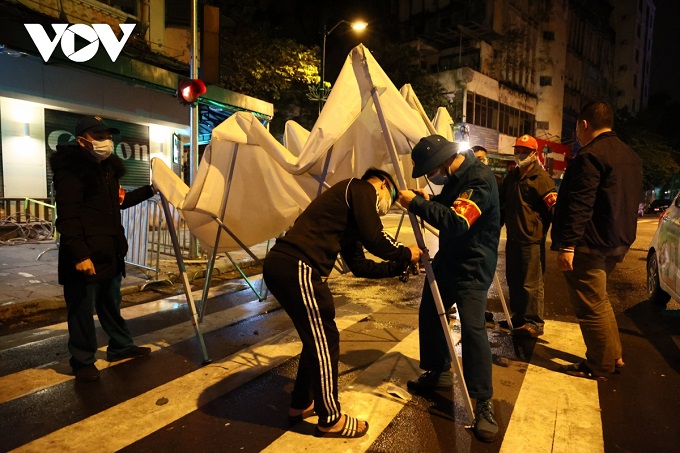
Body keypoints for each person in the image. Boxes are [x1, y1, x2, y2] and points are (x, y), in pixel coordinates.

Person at [262, 168, 420, 438]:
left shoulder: (350, 214)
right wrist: (407, 252)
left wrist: (397, 267)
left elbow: (358, 266)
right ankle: (330, 418)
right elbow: (376, 237)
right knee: (326, 340)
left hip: (289, 266)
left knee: (318, 339)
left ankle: (302, 403)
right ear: (383, 183)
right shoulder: (359, 188)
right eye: (390, 198)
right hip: (298, 265)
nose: (386, 207)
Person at [398, 135, 501, 443]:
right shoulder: (458, 177)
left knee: (472, 330)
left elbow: (457, 221)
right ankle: (439, 372)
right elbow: (448, 204)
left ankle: (483, 403)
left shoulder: (479, 179)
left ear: (440, 163)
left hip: (473, 266)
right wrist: (427, 201)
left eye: (429, 172)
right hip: (450, 261)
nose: (431, 178)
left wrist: (416, 204)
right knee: (430, 313)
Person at [50, 116, 155, 382]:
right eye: (98, 136)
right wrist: (80, 254)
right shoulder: (71, 171)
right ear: (82, 139)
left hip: (109, 250)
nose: (105, 141)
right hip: (84, 254)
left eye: (107, 135)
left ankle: (120, 346)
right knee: (81, 308)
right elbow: (68, 217)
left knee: (110, 303)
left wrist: (152, 190)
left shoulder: (107, 169)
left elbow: (120, 201)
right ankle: (82, 360)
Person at [551, 101, 642, 380]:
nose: (577, 132)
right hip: (617, 240)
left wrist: (567, 246)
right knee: (599, 301)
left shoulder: (590, 155)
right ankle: (613, 355)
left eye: (577, 126)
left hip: (589, 243)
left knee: (589, 306)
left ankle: (599, 365)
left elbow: (581, 203)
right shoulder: (630, 156)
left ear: (584, 124)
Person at [499, 134, 557, 337]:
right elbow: (502, 205)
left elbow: (554, 210)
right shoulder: (512, 176)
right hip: (513, 238)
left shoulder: (542, 179)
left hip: (531, 240)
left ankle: (534, 323)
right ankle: (519, 317)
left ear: (534, 154)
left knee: (531, 284)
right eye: (517, 151)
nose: (520, 154)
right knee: (513, 280)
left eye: (524, 151)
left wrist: (557, 241)